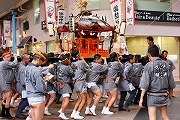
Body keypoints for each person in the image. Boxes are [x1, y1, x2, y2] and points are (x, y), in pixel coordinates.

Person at [139, 45, 176, 120]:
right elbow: (171, 80)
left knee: (152, 118)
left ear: (149, 54)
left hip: (153, 95)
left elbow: (145, 83)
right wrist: (171, 92)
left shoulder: (148, 65)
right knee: (165, 116)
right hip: (163, 94)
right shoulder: (166, 64)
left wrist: (141, 98)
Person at [25, 52, 49, 120]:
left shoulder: (27, 68)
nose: (42, 63)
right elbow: (41, 88)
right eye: (42, 61)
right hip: (38, 97)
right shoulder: (36, 70)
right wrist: (46, 81)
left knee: (32, 117)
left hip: (30, 96)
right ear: (38, 59)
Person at [70, 50, 89, 119]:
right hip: (81, 82)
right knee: (84, 99)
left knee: (80, 99)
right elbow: (87, 68)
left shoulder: (72, 63)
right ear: (78, 55)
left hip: (75, 82)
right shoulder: (81, 62)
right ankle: (77, 114)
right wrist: (83, 59)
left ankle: (74, 112)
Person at [0, 51, 18, 119]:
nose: (9, 58)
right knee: (8, 99)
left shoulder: (2, 63)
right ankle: (7, 114)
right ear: (3, 58)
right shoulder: (4, 63)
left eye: (9, 56)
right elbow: (14, 64)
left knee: (5, 99)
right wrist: (15, 58)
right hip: (7, 84)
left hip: (5, 83)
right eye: (7, 57)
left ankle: (3, 113)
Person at [56, 52, 74, 119]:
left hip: (60, 83)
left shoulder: (58, 65)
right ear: (66, 60)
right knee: (67, 99)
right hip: (65, 84)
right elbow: (72, 73)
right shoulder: (66, 67)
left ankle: (61, 110)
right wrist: (69, 65)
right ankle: (62, 113)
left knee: (65, 98)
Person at [15, 54, 30, 119]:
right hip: (22, 86)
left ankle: (19, 112)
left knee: (24, 99)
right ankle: (18, 113)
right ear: (25, 59)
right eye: (28, 59)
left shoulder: (21, 65)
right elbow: (23, 81)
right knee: (26, 100)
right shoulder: (23, 68)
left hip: (20, 85)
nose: (29, 60)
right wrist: (28, 88)